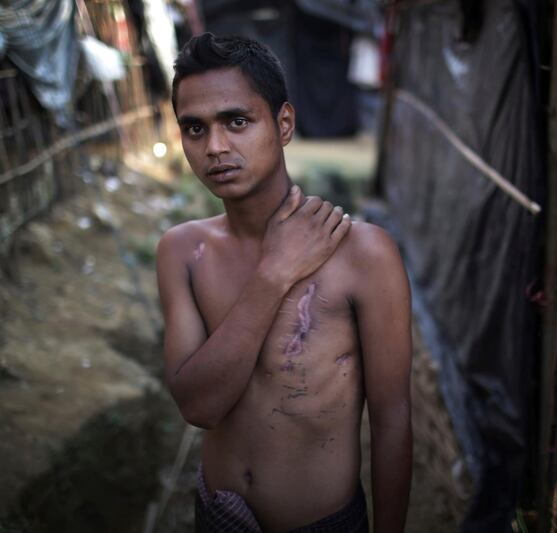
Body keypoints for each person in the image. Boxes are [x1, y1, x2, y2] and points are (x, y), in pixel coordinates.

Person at [156, 33, 412, 532]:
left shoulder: (363, 254)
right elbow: (199, 406)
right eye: (194, 128)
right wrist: (274, 274)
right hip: (219, 515)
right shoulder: (183, 251)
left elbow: (392, 419)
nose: (215, 147)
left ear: (284, 123)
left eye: (237, 121)